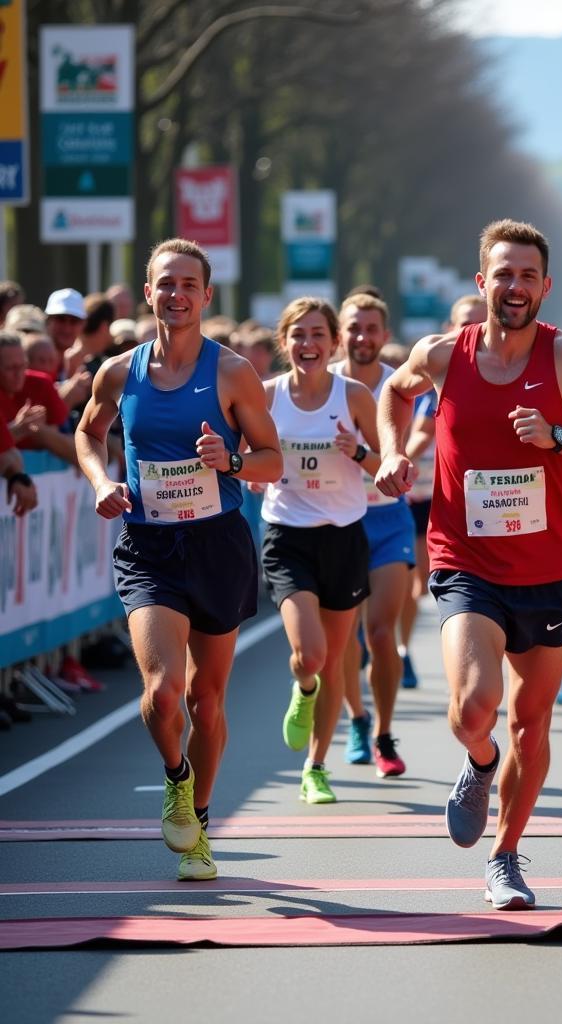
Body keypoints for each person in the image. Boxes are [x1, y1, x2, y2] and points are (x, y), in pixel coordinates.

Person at [375, 219, 562, 909]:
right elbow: (394, 393)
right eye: (503, 274)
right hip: (465, 561)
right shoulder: (442, 355)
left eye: (527, 276)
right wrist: (393, 452)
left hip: (547, 569)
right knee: (474, 707)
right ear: (480, 281)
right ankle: (479, 762)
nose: (514, 286)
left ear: (545, 286)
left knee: (532, 723)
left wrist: (558, 439)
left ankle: (506, 856)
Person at [75, 238, 282, 881]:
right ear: (149, 292)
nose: (177, 295)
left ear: (206, 295)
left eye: (189, 285)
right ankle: (176, 778)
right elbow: (88, 431)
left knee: (207, 702)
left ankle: (201, 826)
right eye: (166, 284)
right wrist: (101, 481)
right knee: (163, 696)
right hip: (149, 545)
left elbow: (272, 459)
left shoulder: (232, 373)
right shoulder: (119, 371)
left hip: (217, 545)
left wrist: (235, 461)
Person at [257, 297, 376, 804]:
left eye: (317, 335)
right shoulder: (266, 396)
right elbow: (247, 455)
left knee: (335, 662)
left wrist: (359, 452)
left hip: (344, 534)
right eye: (298, 336)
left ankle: (316, 766)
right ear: (284, 343)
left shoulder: (354, 396)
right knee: (310, 654)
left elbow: (385, 466)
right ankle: (302, 689)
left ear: (334, 342)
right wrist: (249, 470)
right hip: (288, 535)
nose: (308, 344)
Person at [333, 292, 415, 778]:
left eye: (371, 329)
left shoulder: (399, 386)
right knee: (345, 638)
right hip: (337, 521)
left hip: (388, 520)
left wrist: (362, 454)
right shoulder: (325, 385)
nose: (362, 337)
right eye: (354, 328)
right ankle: (356, 719)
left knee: (380, 633)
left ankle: (384, 730)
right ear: (341, 334)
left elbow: (403, 458)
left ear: (384, 335)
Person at [399, 293, 488, 691]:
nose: (471, 329)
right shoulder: (439, 375)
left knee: (425, 582)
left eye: (478, 321)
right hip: (423, 494)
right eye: (463, 322)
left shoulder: (506, 371)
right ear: (450, 328)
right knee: (417, 580)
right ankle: (402, 649)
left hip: (472, 502)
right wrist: (401, 459)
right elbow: (419, 430)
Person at [0, 332, 77, 466]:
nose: (19, 374)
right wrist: (17, 429)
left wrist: (38, 430)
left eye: (22, 365)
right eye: (10, 368)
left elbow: (73, 449)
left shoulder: (41, 383)